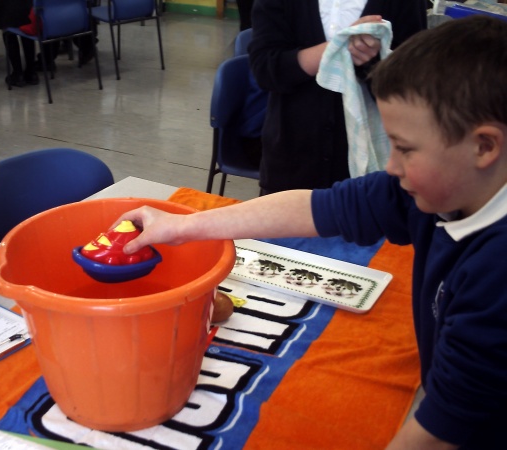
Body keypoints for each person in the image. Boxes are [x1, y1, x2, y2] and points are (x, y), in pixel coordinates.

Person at [115, 16, 507, 448]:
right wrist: (184, 226)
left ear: (484, 146)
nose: (391, 166)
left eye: (406, 149)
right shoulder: (435, 192)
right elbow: (317, 207)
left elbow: (442, 431)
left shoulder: (497, 272)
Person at [249, 0, 428, 194]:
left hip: (370, 160)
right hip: (293, 153)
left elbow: (411, 87)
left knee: (362, 217)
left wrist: (372, 59)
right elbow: (267, 70)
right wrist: (341, 46)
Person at [0, 0, 38, 87]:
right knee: (26, 29)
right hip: (28, 7)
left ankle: (18, 74)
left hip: (6, 7)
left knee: (8, 30)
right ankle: (31, 73)